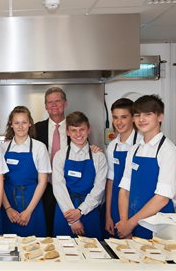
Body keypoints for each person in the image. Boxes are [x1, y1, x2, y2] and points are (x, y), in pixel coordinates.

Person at [116, 95, 176, 239]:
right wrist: (124, 222)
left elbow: (162, 198)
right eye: (137, 115)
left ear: (160, 117)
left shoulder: (168, 150)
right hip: (133, 224)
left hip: (159, 226)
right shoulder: (134, 149)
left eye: (147, 114)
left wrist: (130, 224)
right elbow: (124, 190)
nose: (141, 119)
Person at [52, 111, 107, 239]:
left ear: (88, 130)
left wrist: (81, 211)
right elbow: (59, 188)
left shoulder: (98, 156)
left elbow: (99, 189)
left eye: (82, 129)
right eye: (74, 130)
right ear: (67, 132)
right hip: (65, 210)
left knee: (93, 253)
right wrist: (73, 220)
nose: (78, 134)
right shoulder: (60, 156)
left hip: (89, 210)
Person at [1, 106, 51, 237]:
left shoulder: (39, 147)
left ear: (30, 123)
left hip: (32, 202)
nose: (20, 126)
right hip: (8, 202)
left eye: (24, 122)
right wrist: (8, 209)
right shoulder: (2, 148)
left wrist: (28, 211)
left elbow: (42, 182)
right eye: (16, 122)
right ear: (11, 125)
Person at [34, 87, 69, 237]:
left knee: (64, 229)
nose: (54, 105)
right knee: (45, 229)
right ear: (46, 106)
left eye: (57, 101)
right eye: (50, 102)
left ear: (65, 103)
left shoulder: (75, 127)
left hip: (68, 186)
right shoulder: (37, 128)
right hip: (43, 186)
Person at [105, 98, 142, 237]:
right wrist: (108, 214)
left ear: (133, 118)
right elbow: (110, 181)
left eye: (124, 117)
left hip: (137, 204)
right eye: (115, 117)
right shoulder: (112, 146)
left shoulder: (141, 143)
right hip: (116, 202)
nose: (118, 122)